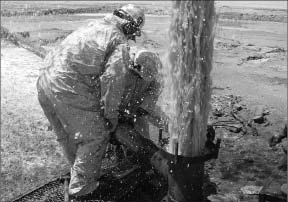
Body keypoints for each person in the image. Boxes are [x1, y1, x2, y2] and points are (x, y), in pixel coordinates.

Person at [36, 4, 145, 197]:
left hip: (45, 81)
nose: (133, 37)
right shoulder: (118, 41)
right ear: (129, 25)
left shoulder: (92, 26)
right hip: (67, 87)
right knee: (96, 135)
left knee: (68, 136)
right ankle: (83, 191)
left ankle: (80, 176)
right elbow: (112, 82)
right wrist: (110, 117)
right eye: (134, 32)